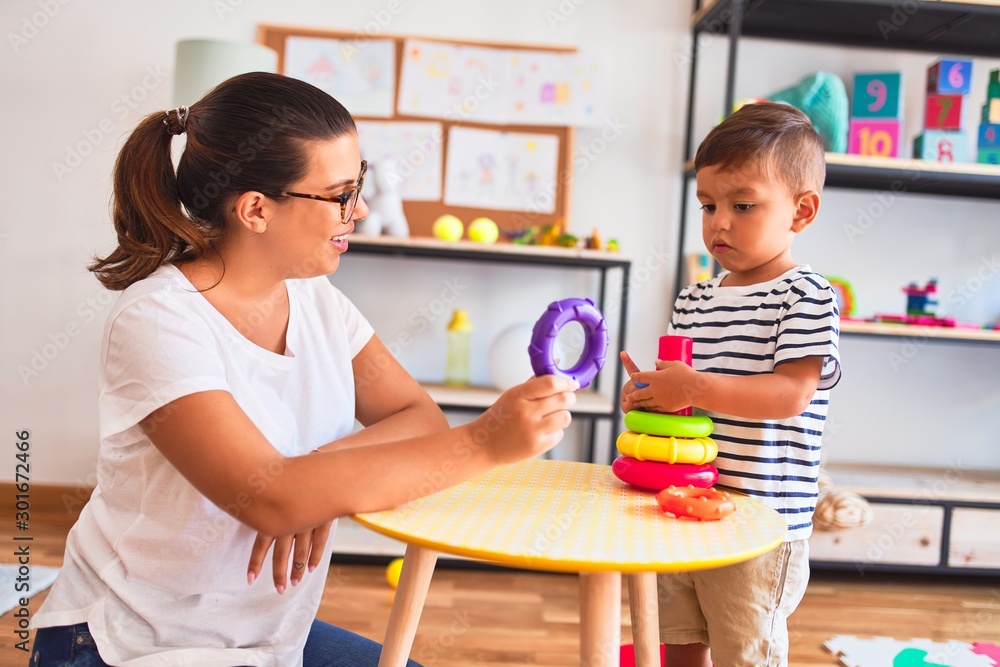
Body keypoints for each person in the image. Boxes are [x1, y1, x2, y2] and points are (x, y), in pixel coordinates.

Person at [30, 71, 577, 667]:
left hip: (269, 638)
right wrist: (485, 443)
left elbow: (416, 415)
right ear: (256, 210)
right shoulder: (157, 321)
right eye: (340, 193)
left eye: (360, 183)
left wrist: (316, 478)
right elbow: (266, 499)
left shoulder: (318, 301)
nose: (361, 209)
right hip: (133, 641)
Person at [619, 102, 841, 667]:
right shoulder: (695, 298)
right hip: (685, 506)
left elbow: (791, 395)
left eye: (742, 206)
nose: (719, 221)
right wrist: (651, 399)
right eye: (708, 204)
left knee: (747, 651)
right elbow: (685, 399)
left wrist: (691, 386)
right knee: (679, 638)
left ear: (802, 210)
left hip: (762, 525)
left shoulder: (807, 295)